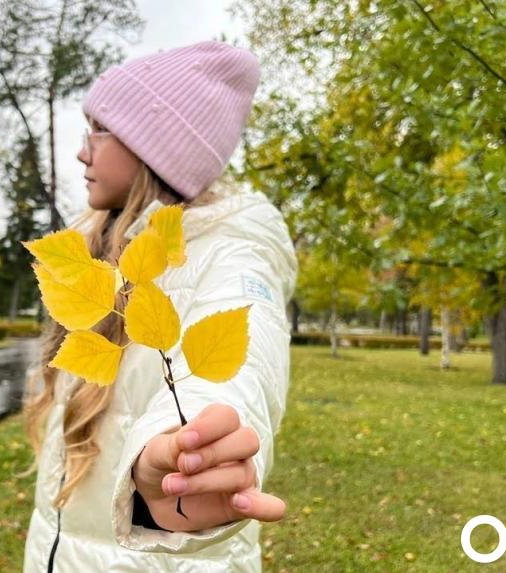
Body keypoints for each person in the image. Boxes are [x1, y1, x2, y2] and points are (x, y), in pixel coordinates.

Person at [20, 39, 298, 572]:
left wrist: (186, 449)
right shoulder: (105, 253)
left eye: (99, 130)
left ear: (156, 146)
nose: (83, 151)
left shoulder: (232, 254)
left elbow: (238, 371)